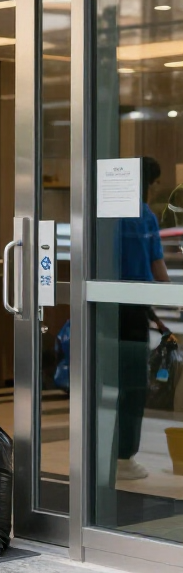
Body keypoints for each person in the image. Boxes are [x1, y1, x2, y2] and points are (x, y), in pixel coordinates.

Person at [116, 155, 170, 481]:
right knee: (133, 387)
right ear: (146, 183)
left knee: (106, 385)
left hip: (101, 311)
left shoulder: (105, 214)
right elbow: (158, 270)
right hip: (134, 314)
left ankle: (101, 453)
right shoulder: (144, 216)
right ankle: (124, 459)